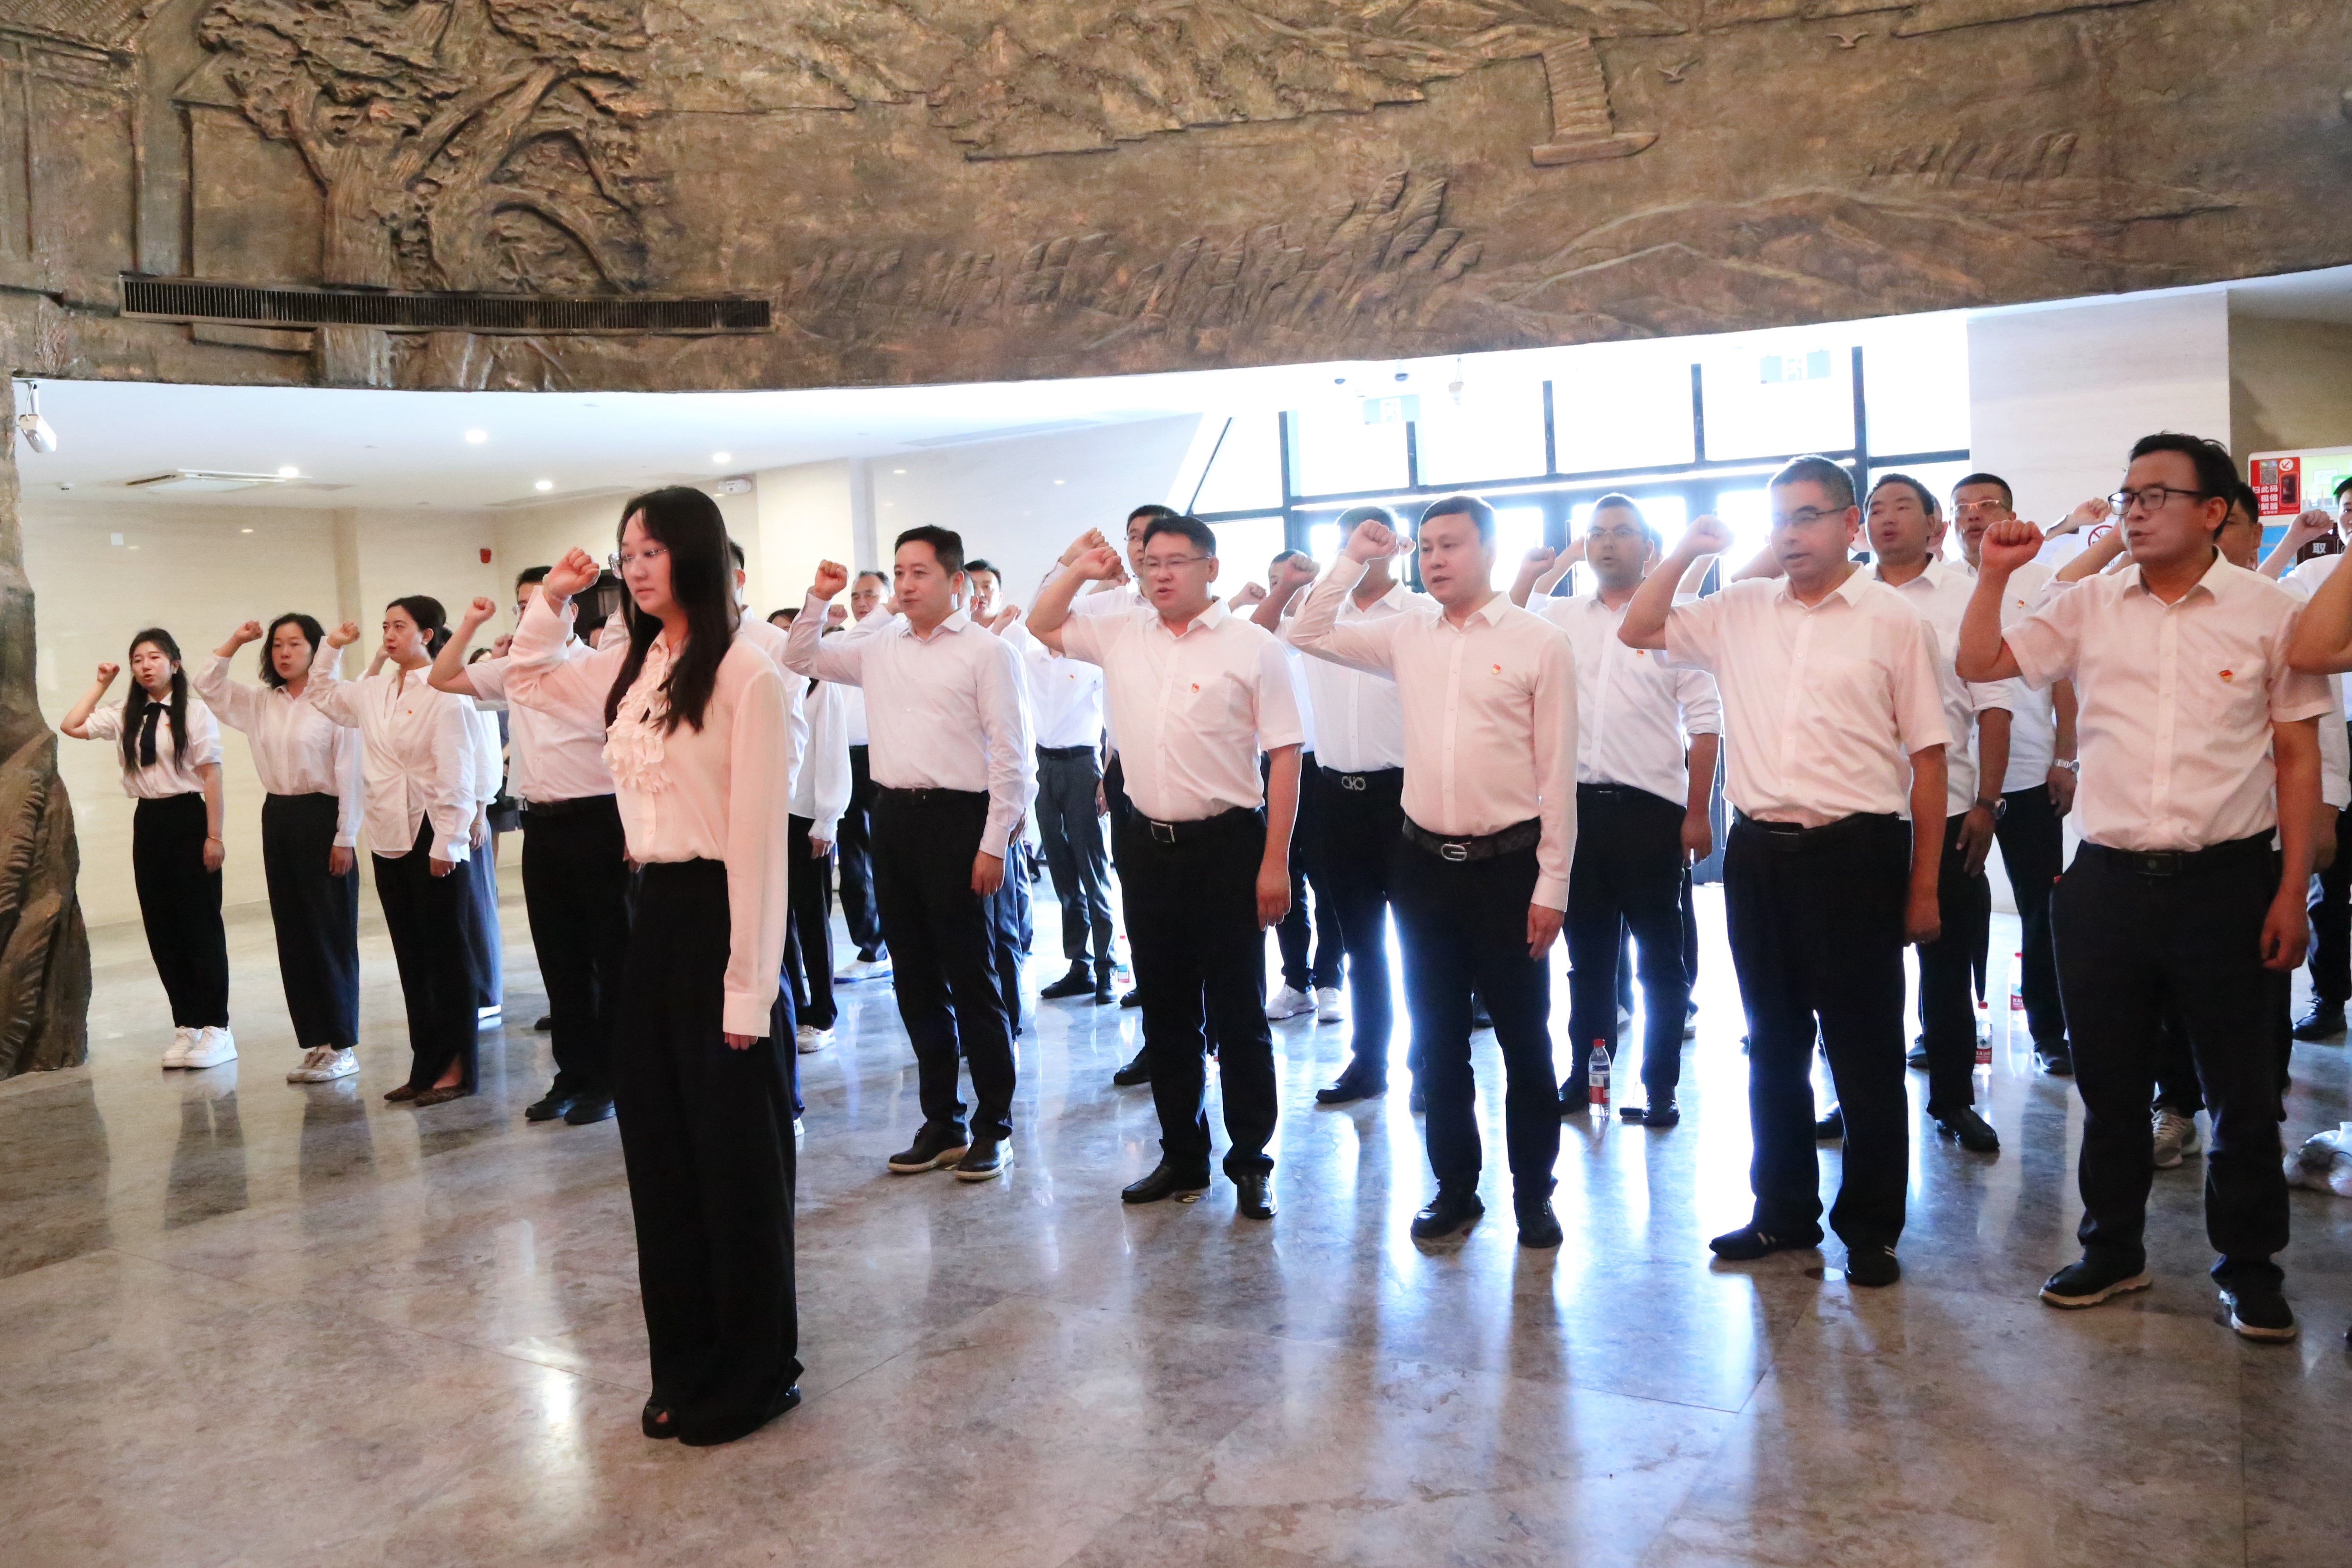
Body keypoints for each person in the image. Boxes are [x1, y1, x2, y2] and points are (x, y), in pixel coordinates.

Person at [1961, 433, 2324, 1343]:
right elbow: (1980, 662)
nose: (2133, 509)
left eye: (2156, 494)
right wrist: (1994, 574)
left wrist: (2290, 890)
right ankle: (2111, 1248)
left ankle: (2248, 1267)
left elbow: (2295, 755)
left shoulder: (2269, 610)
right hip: (2106, 884)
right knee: (2111, 1085)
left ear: (2213, 511)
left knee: (2241, 1090)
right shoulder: (2088, 603)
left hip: (2227, 881)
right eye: (2127, 494)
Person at [506, 488, 799, 1444]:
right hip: (653, 917)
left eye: (652, 550)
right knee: (662, 1157)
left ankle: (758, 1367)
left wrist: (749, 989)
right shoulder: (634, 664)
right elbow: (526, 677)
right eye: (625, 552)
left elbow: (759, 847)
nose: (634, 567)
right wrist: (552, 596)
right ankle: (684, 1358)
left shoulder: (747, 672)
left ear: (696, 555)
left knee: (734, 1158)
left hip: (722, 916)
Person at [1622, 457, 1949, 1288]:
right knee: (1772, 1043)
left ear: (1849, 524)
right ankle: (1782, 1211)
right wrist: (1690, 549)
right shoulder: (1739, 608)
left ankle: (1870, 1226)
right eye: (1779, 519)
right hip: (1760, 853)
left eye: (1807, 516)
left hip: (1857, 853)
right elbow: (1638, 626)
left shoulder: (1891, 619)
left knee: (1864, 1050)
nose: (1791, 534)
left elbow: (1928, 758)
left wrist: (1923, 885)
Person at [1290, 495, 1575, 1248]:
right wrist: (1351, 557)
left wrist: (1552, 884)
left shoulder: (1537, 642)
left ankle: (1534, 1193)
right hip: (1423, 867)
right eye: (1425, 546)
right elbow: (1306, 631)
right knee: (1440, 1040)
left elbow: (1558, 776)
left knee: (1524, 1043)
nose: (1435, 558)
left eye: (1450, 544)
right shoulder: (1406, 633)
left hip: (1509, 869)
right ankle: (1455, 1188)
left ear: (1489, 548)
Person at [1030, 514, 1299, 1216]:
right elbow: (1041, 622)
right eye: (1150, 562)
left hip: (1228, 846)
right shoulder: (1122, 632)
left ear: (1212, 567)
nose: (1161, 573)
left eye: (1177, 561)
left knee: (1239, 1014)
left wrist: (1275, 861)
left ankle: (1251, 1161)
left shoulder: (1254, 646)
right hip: (1147, 846)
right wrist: (1079, 567)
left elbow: (1284, 755)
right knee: (1167, 1011)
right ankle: (1183, 1154)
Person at [787, 528, 1034, 1183]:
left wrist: (994, 842)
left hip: (960, 820)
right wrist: (819, 597)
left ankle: (994, 1126)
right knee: (915, 978)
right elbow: (802, 654)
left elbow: (1013, 756)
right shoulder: (879, 646)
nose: (905, 584)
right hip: (893, 817)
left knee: (974, 980)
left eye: (919, 572)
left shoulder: (986, 652)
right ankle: (942, 1121)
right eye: (899, 571)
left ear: (955, 582)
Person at [1516, 495, 1720, 1129]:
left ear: (1649, 548)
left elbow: (1705, 727)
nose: (1607, 543)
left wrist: (1698, 813)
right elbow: (1510, 619)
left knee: (1661, 961)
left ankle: (1660, 1086)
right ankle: (1587, 1077)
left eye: (1622, 532)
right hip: (1576, 813)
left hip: (1651, 815)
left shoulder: (1675, 623)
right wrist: (1545, 567)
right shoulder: (1560, 618)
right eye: (1597, 533)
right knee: (1589, 964)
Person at [1847, 474, 2015, 1153]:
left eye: (1901, 507)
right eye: (1874, 508)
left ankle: (1953, 1100)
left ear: (1935, 525)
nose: (1886, 518)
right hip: (1859, 813)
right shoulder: (1843, 594)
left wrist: (1987, 804)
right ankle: (1855, 1102)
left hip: (1946, 810)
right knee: (1856, 977)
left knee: (1946, 969)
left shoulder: (1965, 594)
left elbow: (1995, 706)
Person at [429, 570, 630, 1126]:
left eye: (543, 602)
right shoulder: (514, 669)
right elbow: (441, 677)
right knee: (560, 959)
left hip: (601, 820)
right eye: (523, 606)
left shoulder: (598, 666)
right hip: (541, 825)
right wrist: (470, 624)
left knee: (611, 957)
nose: (528, 615)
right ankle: (573, 1074)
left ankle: (614, 1077)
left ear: (571, 611)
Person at [1257, 506, 1419, 1104]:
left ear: (1397, 545)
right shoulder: (1317, 615)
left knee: (1420, 942)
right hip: (1335, 795)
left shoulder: (1421, 614)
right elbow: (1260, 639)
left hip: (1407, 797)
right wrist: (1289, 587)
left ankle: (1428, 1062)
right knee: (1361, 941)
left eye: (1373, 540)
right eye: (1348, 543)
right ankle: (1368, 1061)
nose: (1360, 550)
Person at [308, 597, 481, 1106]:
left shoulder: (446, 692)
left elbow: (458, 770)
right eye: (385, 626)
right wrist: (331, 647)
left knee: (447, 954)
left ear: (426, 635)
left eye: (400, 626)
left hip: (432, 829)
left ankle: (457, 1068)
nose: (388, 634)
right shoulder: (374, 690)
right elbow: (322, 693)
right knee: (412, 955)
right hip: (388, 834)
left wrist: (449, 839)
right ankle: (425, 1065)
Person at [1951, 473, 2084, 1074]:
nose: (1973, 515)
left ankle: (2048, 1031)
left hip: (2029, 774)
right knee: (1956, 912)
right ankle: (1948, 1028)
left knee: (2041, 909)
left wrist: (2065, 758)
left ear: (2010, 515)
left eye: (1986, 506)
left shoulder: (2039, 581)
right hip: (1955, 780)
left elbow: (2064, 682)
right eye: (1961, 507)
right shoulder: (1935, 585)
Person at [194, 615, 362, 1082]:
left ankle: (343, 1044)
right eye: (277, 645)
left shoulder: (336, 700)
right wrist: (236, 639)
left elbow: (350, 770)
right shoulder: (260, 702)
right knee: (294, 932)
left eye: (295, 644)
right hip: (280, 816)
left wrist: (346, 836)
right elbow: (207, 684)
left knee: (329, 932)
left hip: (323, 817)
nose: (284, 653)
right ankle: (317, 1041)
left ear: (316, 649)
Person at [61, 629, 234, 1070]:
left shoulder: (195, 712)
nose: (145, 666)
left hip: (189, 818)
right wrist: (101, 683)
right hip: (149, 821)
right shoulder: (127, 713)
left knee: (200, 926)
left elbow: (212, 776)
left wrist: (214, 836)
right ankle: (187, 1024)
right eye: (138, 659)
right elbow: (72, 725)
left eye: (154, 657)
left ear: (175, 663)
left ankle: (217, 1027)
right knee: (162, 926)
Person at [1046, 503, 1181, 1058]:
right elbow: (1045, 617)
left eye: (1152, 536)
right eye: (1133, 537)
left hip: (1187, 767)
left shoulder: (1203, 617)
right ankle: (1158, 1030)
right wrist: (1073, 563)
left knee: (1189, 909)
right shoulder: (1115, 606)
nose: (1141, 546)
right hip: (1126, 766)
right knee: (1141, 899)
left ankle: (1203, 1028)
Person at [2262, 475, 2352, 1040]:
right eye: (2348, 508)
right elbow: (2253, 594)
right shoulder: (2318, 574)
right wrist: (2292, 541)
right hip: (2335, 740)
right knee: (2329, 883)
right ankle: (2329, 999)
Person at [996, 598, 1116, 1005]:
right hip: (1043, 768)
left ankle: (1107, 966)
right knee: (1063, 874)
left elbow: (1114, 720)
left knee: (1093, 871)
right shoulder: (1028, 657)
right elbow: (992, 644)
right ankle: (1080, 965)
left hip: (1083, 765)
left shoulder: (1090, 661)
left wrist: (1107, 777)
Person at [1255, 549, 1345, 1024]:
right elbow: (1256, 627)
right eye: (1275, 580)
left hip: (1323, 766)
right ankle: (1296, 982)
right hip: (1276, 767)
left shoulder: (1322, 633)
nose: (1283, 587)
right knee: (1283, 875)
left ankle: (1331, 981)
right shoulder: (1263, 638)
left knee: (1329, 880)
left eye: (1291, 579)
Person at [769, 607, 852, 1051]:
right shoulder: (761, 685)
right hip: (766, 816)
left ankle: (822, 1013)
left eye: (790, 633)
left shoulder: (821, 686)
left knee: (811, 918)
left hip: (806, 819)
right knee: (775, 920)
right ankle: (792, 1006)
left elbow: (832, 753)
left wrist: (827, 818)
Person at [834, 570, 891, 978]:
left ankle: (903, 946)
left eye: (870, 594)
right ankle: (871, 950)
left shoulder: (898, 639)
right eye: (856, 595)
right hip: (846, 757)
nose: (862, 602)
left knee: (890, 856)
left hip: (887, 756)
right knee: (854, 860)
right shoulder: (841, 643)